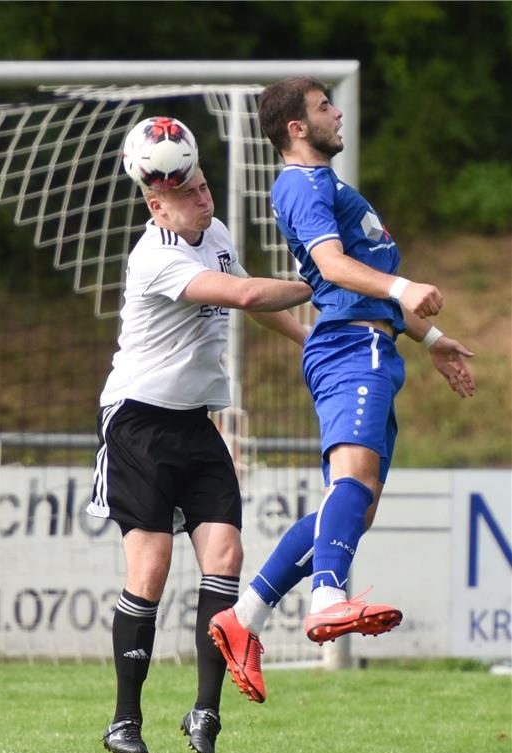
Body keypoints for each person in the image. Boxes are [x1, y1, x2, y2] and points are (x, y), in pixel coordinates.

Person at [209, 76, 476, 703]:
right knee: (350, 483)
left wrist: (433, 342)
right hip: (350, 349)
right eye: (324, 107)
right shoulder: (301, 185)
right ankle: (327, 596)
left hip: (376, 347)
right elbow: (332, 268)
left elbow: (365, 282)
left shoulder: (330, 186)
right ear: (297, 128)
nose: (336, 113)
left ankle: (242, 618)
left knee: (354, 506)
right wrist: (405, 287)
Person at [87, 125, 313, 753]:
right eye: (186, 193)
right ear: (157, 205)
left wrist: (310, 338)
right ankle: (124, 720)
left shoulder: (213, 235)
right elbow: (244, 294)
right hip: (138, 423)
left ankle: (204, 710)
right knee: (151, 567)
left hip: (196, 424)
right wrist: (324, 278)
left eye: (204, 185)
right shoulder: (153, 257)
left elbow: (251, 297)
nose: (202, 198)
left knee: (227, 554)